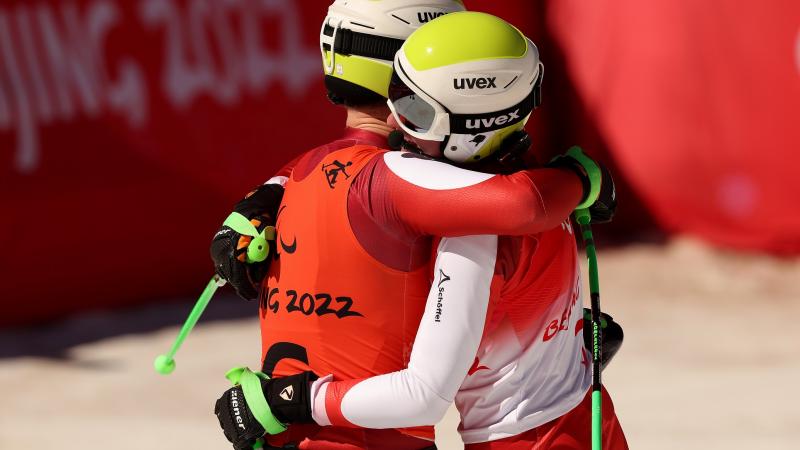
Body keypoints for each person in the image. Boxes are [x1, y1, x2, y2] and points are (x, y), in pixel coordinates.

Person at [210, 6, 619, 450]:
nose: (394, 118)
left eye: (410, 105)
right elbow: (525, 209)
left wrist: (292, 400)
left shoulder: (460, 219)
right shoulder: (504, 188)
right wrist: (583, 180)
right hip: (581, 423)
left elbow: (424, 392)